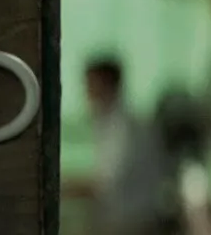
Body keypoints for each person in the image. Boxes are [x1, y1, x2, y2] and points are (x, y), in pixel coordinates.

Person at [69, 57, 180, 235]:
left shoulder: (124, 128)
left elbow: (105, 184)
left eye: (91, 85)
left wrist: (61, 187)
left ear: (107, 85)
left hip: (133, 223)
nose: (87, 92)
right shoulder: (110, 123)